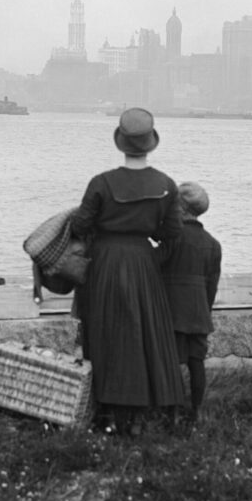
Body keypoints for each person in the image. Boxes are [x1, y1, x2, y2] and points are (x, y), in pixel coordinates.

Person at [71, 107, 186, 435]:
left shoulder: (102, 182)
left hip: (105, 261)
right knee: (145, 334)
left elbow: (80, 224)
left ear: (121, 143)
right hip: (142, 262)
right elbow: (173, 233)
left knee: (105, 332)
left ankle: (106, 411)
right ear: (150, 144)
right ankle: (143, 412)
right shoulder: (166, 184)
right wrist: (150, 257)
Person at [159, 182, 222, 425]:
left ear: (181, 208)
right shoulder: (213, 244)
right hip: (198, 313)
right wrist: (204, 311)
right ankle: (196, 411)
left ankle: (172, 412)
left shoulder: (173, 238)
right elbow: (211, 286)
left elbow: (154, 265)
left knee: (171, 362)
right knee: (197, 364)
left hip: (171, 311)